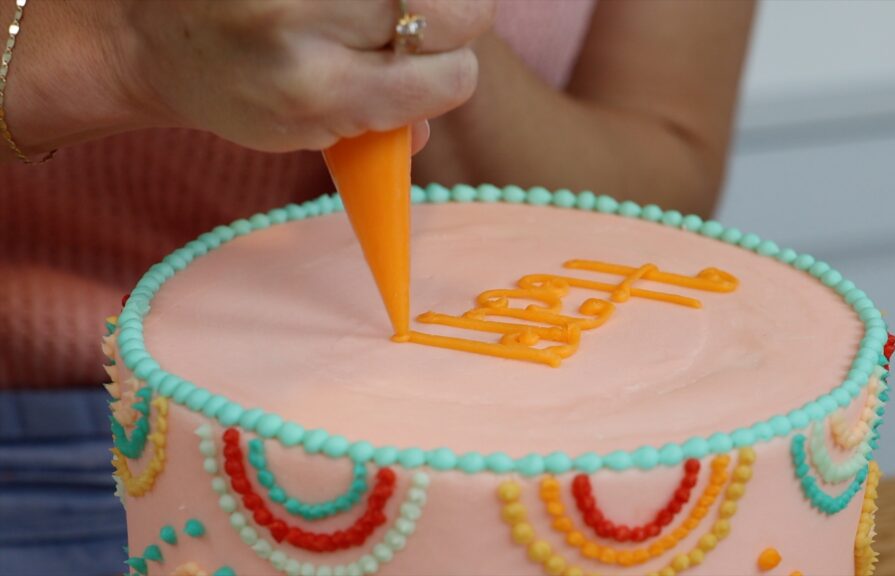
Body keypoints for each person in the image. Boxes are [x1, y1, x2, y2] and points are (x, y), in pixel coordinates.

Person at [0, 0, 754, 573]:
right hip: (51, 445)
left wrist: (410, 31)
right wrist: (122, 46)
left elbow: (664, 167)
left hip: (524, 449)